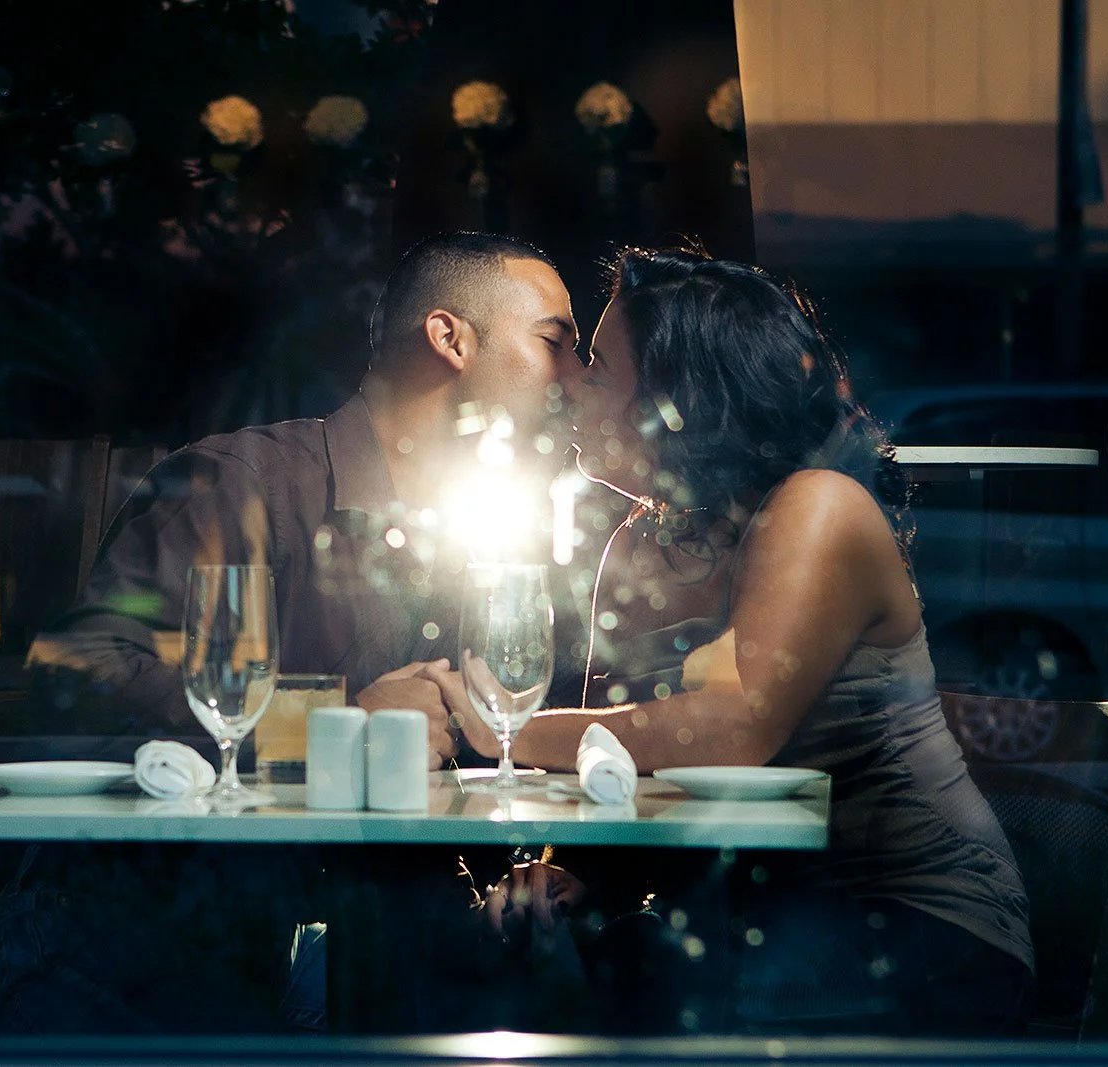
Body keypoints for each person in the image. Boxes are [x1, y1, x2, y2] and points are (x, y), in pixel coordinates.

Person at [0, 231, 587, 1034]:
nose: (575, 374)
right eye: (556, 341)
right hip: (121, 943)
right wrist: (340, 721)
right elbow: (74, 673)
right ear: (450, 338)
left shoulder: (468, 529)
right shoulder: (244, 481)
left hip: (316, 953)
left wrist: (515, 877)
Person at [419, 247, 1034, 1036]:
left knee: (631, 994)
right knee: (506, 961)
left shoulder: (818, 508)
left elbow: (735, 727)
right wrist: (573, 877)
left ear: (679, 396)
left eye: (600, 365)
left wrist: (497, 728)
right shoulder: (644, 538)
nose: (567, 382)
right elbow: (624, 766)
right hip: (754, 922)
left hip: (922, 925)